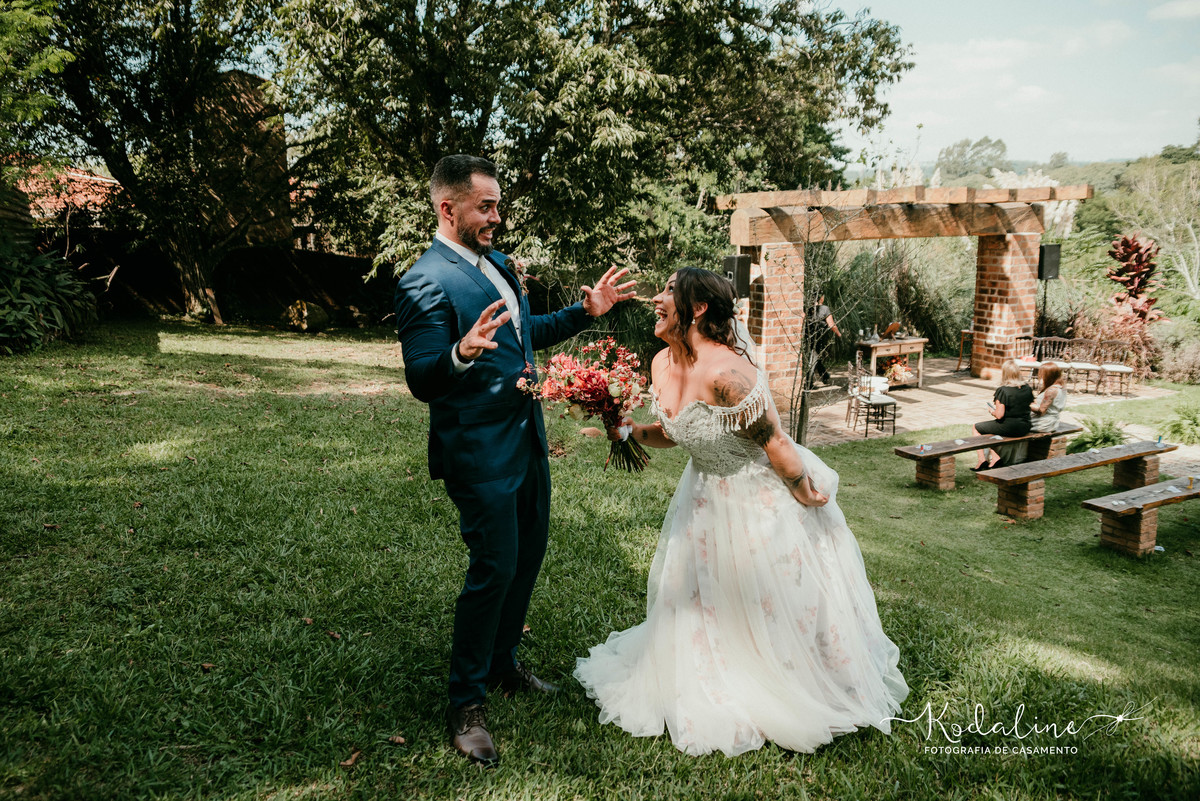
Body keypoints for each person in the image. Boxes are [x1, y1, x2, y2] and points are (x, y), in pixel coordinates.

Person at [574, 267, 908, 757]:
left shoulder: (729, 375)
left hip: (757, 502)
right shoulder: (663, 363)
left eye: (668, 291)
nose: (656, 298)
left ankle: (790, 681)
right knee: (703, 600)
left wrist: (803, 491)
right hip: (703, 500)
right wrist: (628, 433)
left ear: (699, 308)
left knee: (768, 599)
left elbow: (773, 442)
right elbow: (676, 431)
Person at [393, 154, 636, 766]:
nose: (497, 216)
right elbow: (423, 377)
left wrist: (587, 312)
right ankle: (465, 704)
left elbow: (528, 332)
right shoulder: (424, 280)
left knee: (528, 554)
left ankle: (503, 666)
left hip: (527, 439)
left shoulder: (498, 265)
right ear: (447, 208)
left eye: (498, 204)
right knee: (494, 566)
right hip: (478, 451)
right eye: (486, 206)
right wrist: (461, 351)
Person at [994, 362, 1068, 466]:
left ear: (1049, 375)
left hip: (1043, 422)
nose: (1040, 376)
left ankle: (1008, 457)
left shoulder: (1051, 390)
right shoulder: (1061, 387)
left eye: (1042, 373)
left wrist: (1023, 403)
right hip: (1052, 421)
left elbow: (1041, 411)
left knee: (1013, 423)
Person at [970, 359, 1035, 470]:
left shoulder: (1003, 391)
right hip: (1025, 426)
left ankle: (982, 460)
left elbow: (999, 415)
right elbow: (1031, 405)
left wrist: (992, 411)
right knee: (990, 429)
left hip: (1010, 427)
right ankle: (995, 459)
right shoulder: (1027, 388)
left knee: (976, 428)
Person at [806, 295, 841, 385]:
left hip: (808, 336)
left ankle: (824, 375)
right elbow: (831, 324)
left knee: (815, 357)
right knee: (814, 358)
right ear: (821, 298)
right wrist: (839, 334)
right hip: (820, 337)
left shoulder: (807, 308)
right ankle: (809, 383)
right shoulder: (825, 309)